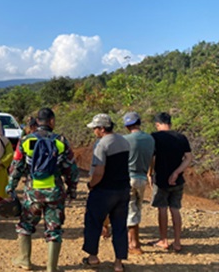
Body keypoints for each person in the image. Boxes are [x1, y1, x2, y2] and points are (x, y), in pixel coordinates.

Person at [7, 108, 79, 272]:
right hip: (55, 191)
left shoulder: (26, 140)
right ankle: (51, 268)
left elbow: (16, 166)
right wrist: (72, 189)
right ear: (51, 121)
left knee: (25, 224)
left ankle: (24, 260)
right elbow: (71, 168)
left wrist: (10, 186)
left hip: (32, 192)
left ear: (37, 121)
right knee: (54, 228)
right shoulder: (60, 141)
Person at [82, 114, 130, 272]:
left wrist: (90, 184)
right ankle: (118, 263)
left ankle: (93, 257)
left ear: (102, 129)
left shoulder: (101, 144)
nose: (94, 131)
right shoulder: (124, 140)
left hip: (104, 191)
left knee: (93, 222)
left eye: (95, 128)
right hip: (123, 189)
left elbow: (99, 172)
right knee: (120, 226)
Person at [148, 112, 192, 253]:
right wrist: (176, 172)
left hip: (161, 179)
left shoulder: (154, 137)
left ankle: (163, 240)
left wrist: (150, 173)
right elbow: (188, 158)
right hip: (177, 180)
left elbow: (151, 158)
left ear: (157, 124)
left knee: (162, 208)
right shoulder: (181, 137)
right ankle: (177, 242)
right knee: (175, 209)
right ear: (170, 123)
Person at [122, 112, 154, 254]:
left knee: (129, 208)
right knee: (137, 208)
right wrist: (150, 174)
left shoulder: (124, 140)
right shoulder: (150, 139)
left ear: (127, 126)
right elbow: (153, 158)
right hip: (142, 178)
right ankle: (134, 241)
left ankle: (133, 244)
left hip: (128, 177)